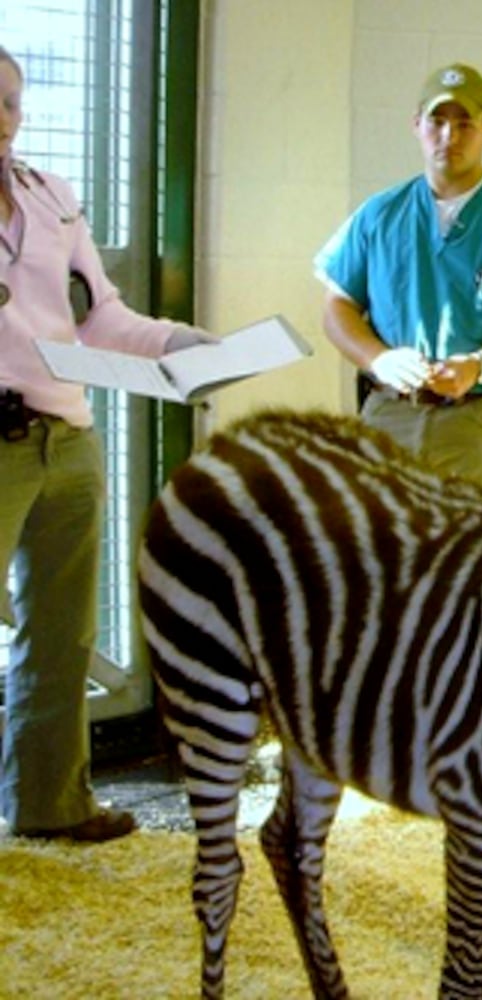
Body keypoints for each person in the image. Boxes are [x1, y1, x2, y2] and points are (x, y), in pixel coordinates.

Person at [0, 44, 212, 843]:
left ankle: (50, 804)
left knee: (61, 634)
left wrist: (187, 345)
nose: (2, 117)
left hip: (68, 440)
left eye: (12, 102)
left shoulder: (52, 197)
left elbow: (102, 319)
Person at [315, 62, 482, 493]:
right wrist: (379, 359)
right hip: (389, 417)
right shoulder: (379, 215)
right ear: (416, 126)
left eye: (464, 124)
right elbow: (336, 307)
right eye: (437, 122)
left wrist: (480, 364)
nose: (448, 137)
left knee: (477, 550)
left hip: (481, 419)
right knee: (380, 548)